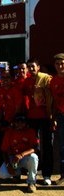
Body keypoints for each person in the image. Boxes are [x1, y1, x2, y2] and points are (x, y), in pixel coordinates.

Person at [22, 58, 53, 185]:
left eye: (33, 66)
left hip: (45, 117)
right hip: (32, 117)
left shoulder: (46, 79)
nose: (31, 69)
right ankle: (33, 172)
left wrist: (52, 116)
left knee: (47, 145)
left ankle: (47, 175)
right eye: (29, 66)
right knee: (33, 146)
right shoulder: (27, 81)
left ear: (38, 67)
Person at [0, 115, 39, 193]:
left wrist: (22, 154)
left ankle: (31, 182)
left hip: (25, 158)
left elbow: (35, 148)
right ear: (14, 123)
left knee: (34, 157)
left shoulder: (30, 131)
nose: (20, 124)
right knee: (3, 174)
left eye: (22, 122)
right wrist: (8, 165)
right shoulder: (9, 132)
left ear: (26, 123)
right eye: (17, 122)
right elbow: (4, 150)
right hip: (13, 158)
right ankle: (16, 174)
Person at [49, 53, 64, 185]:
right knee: (62, 146)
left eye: (62, 63)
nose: (60, 66)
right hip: (61, 115)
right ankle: (63, 176)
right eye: (58, 64)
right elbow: (54, 101)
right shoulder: (53, 81)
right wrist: (53, 117)